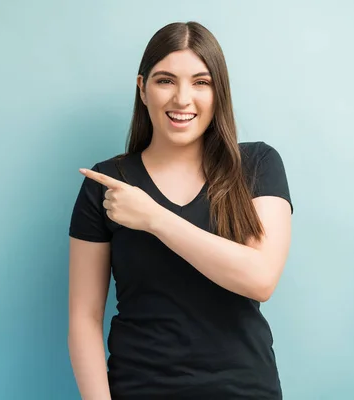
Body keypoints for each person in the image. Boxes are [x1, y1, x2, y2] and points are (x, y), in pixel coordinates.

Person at [67, 21, 293, 400]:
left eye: (201, 82)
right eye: (165, 80)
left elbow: (260, 278)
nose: (182, 99)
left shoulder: (257, 165)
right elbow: (83, 319)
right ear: (142, 88)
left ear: (219, 91)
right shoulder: (107, 184)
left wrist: (154, 218)